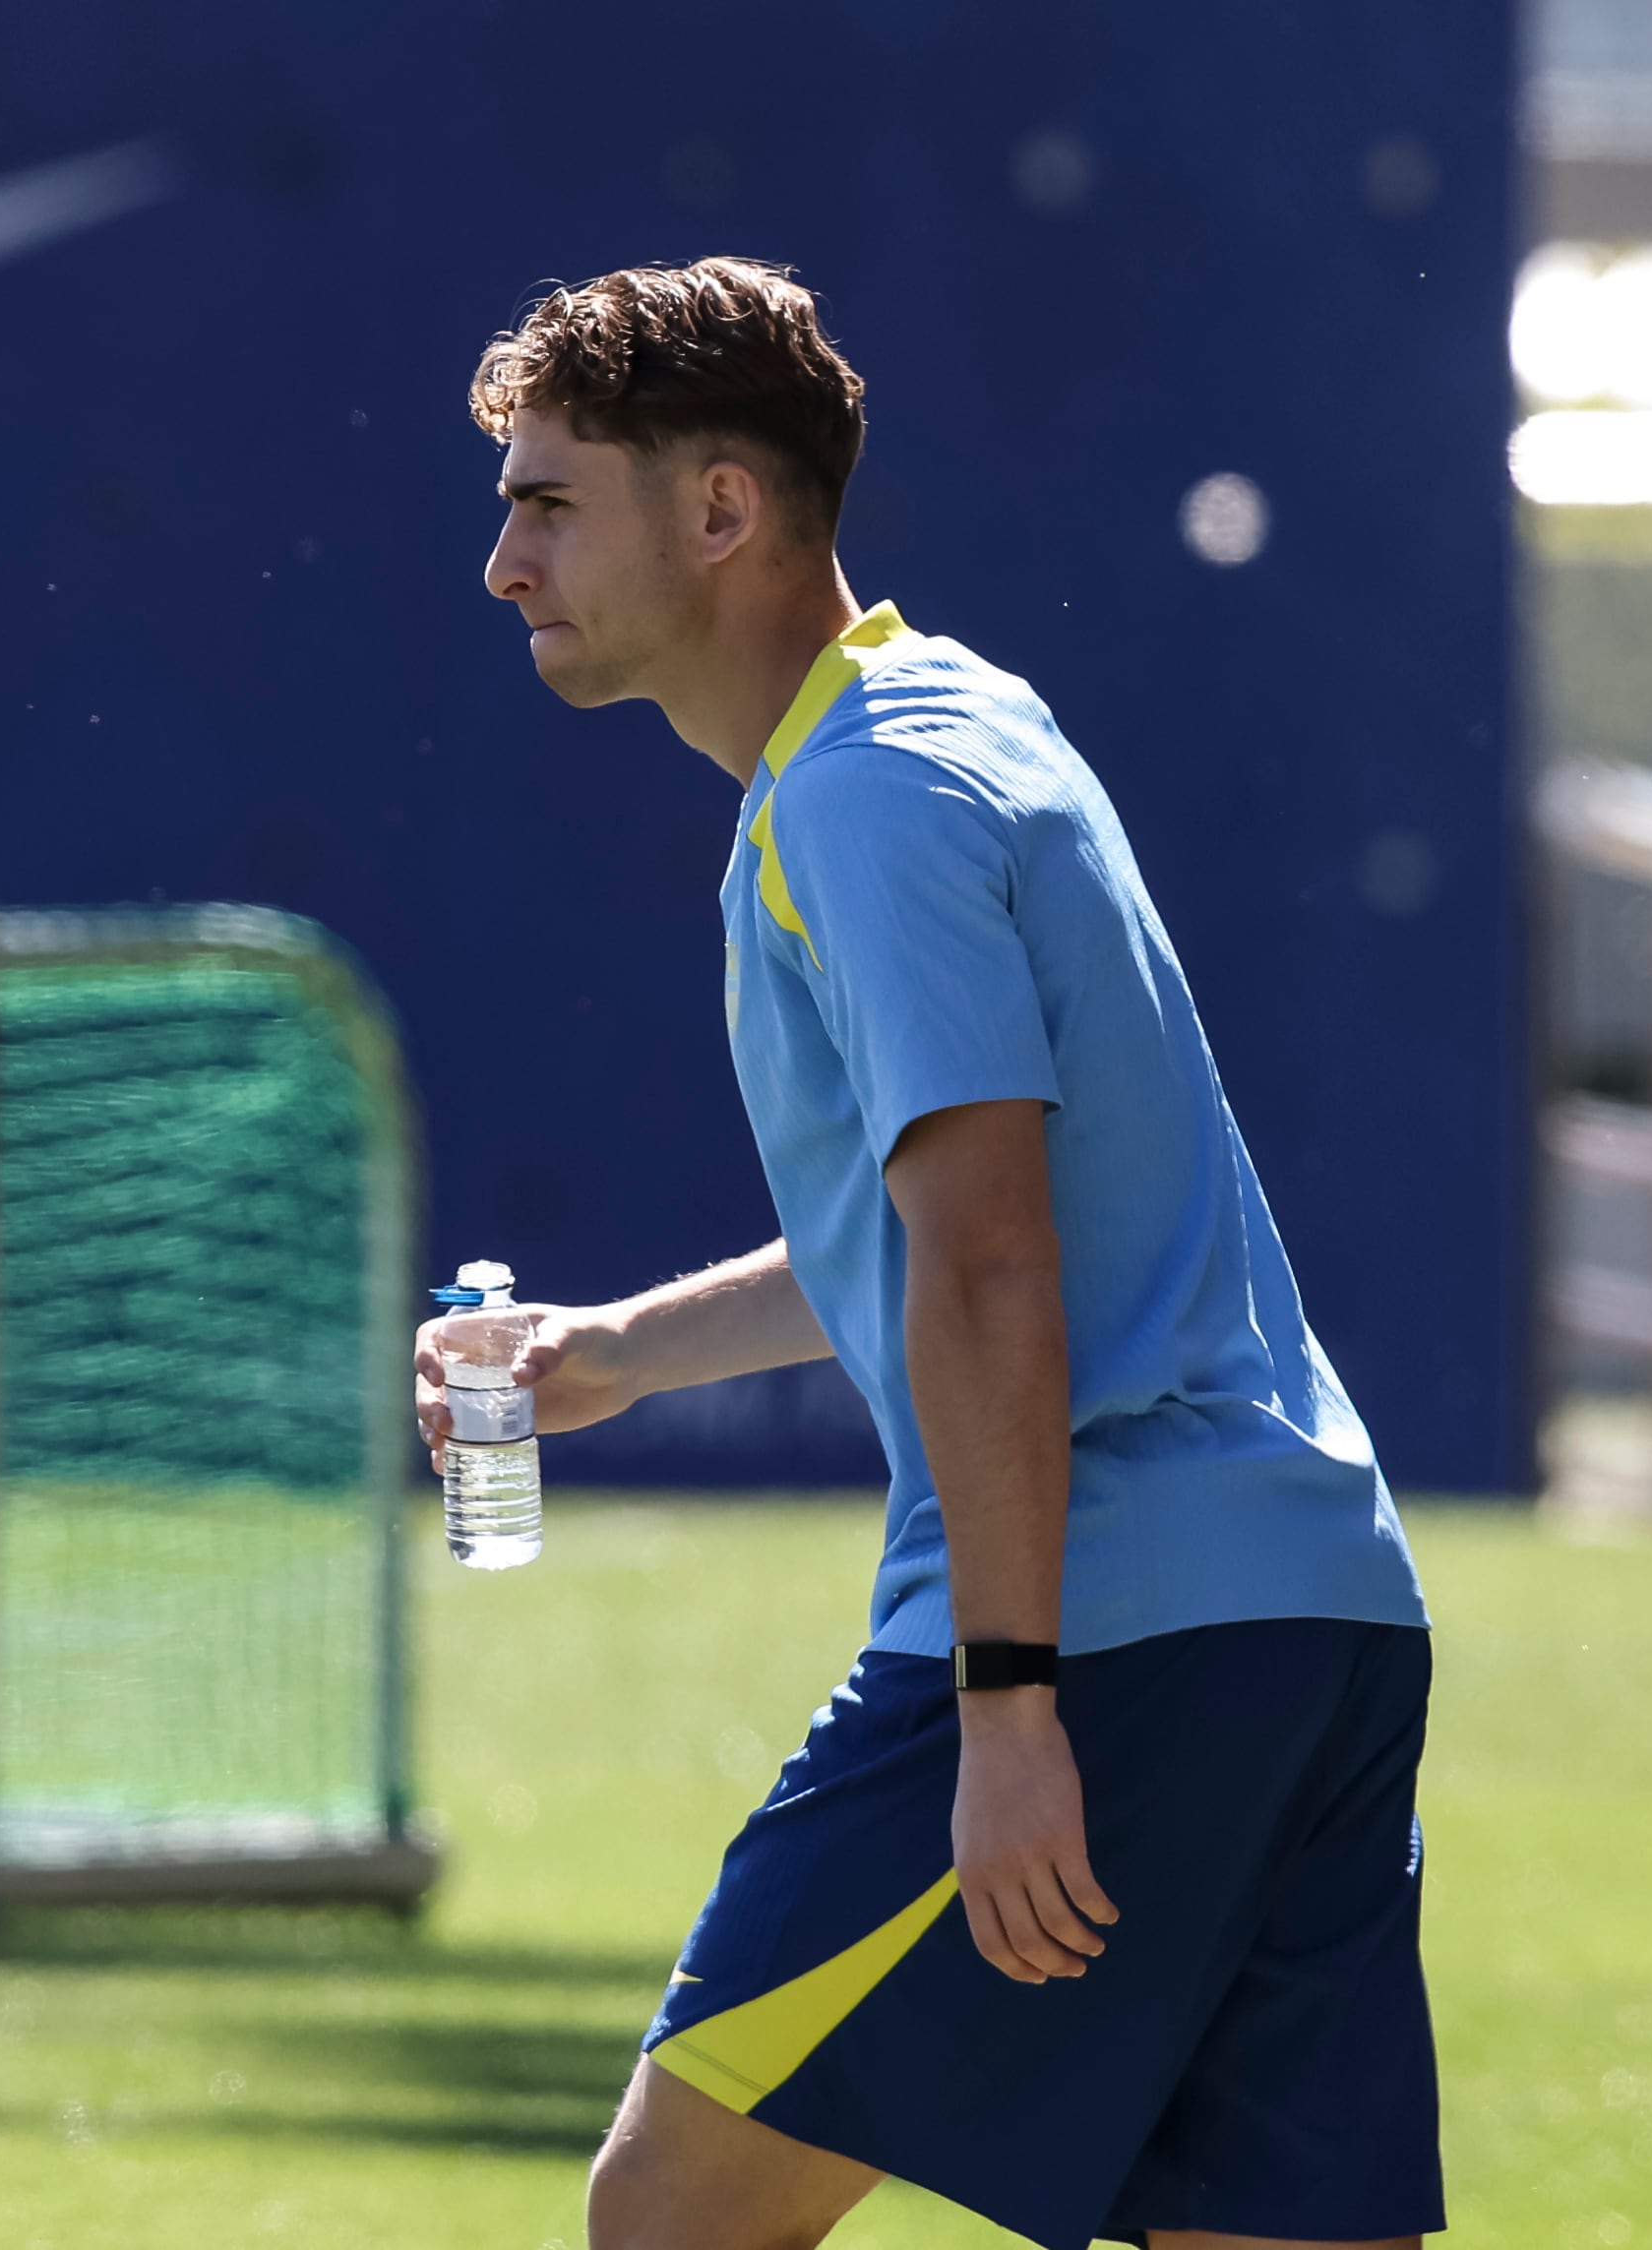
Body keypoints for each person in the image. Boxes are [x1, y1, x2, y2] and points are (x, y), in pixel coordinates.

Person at [416, 260, 1442, 2250]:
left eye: (544, 503)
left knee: (672, 2218)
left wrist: (1002, 1710)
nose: (500, 563)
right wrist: (612, 1352)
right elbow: (956, 1226)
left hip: (1109, 1635)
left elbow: (984, 1268)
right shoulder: (949, 717)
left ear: (716, 511)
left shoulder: (862, 800)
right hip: (1314, 1614)